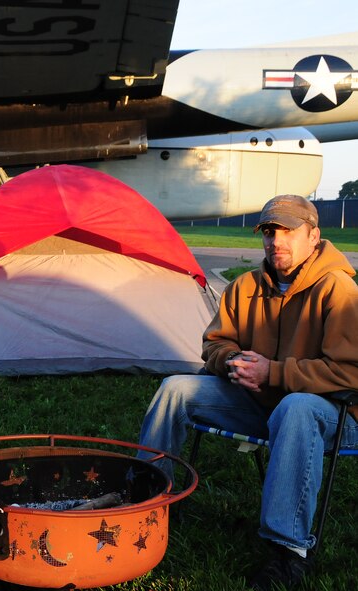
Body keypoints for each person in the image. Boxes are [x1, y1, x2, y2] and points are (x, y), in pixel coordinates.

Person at [138, 195, 358, 590]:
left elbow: (349, 372)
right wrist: (234, 362)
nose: (277, 241)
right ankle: (149, 499)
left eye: (289, 231)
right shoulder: (244, 288)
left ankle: (288, 551)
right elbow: (214, 345)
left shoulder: (338, 289)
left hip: (335, 415)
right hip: (261, 404)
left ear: (314, 236)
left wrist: (273, 372)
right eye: (270, 232)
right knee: (175, 388)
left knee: (297, 407)